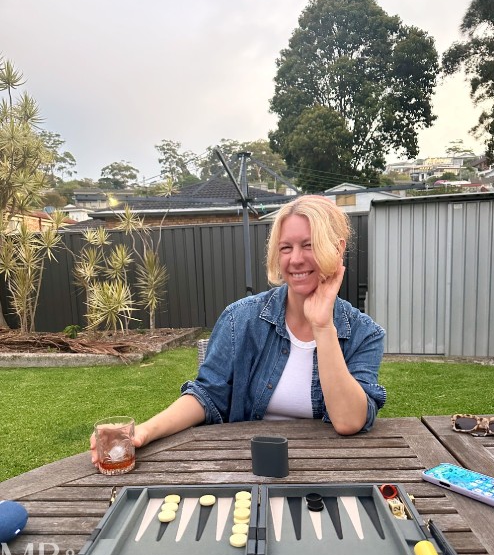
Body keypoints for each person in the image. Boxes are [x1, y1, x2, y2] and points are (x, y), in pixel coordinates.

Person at [90, 195, 387, 468]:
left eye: (308, 245)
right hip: (244, 467)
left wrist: (323, 326)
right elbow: (207, 395)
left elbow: (349, 421)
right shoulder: (241, 318)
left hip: (328, 470)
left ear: (337, 248)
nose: (295, 259)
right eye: (286, 247)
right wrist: (143, 431)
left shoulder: (365, 334)